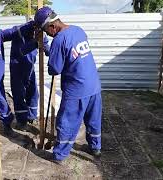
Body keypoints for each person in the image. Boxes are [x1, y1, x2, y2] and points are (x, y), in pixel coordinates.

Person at [34, 7, 102, 162]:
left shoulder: (58, 39)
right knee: (93, 120)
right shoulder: (78, 30)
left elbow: (55, 69)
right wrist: (50, 50)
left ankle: (59, 155)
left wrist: (51, 58)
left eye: (45, 31)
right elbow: (69, 52)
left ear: (52, 26)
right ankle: (95, 148)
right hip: (94, 85)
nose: (47, 34)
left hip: (76, 89)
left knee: (66, 123)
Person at [8, 20, 50, 131]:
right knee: (19, 94)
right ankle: (21, 122)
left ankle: (31, 117)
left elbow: (46, 46)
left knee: (33, 93)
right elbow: (22, 51)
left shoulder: (41, 31)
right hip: (17, 67)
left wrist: (51, 52)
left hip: (30, 67)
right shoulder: (20, 31)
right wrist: (36, 42)